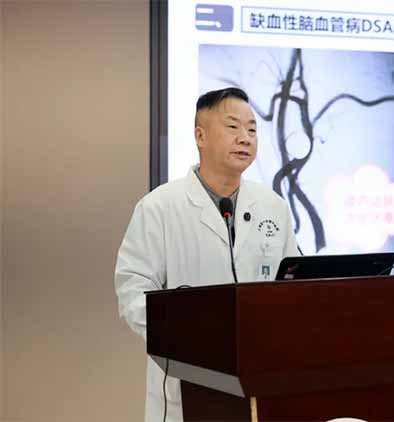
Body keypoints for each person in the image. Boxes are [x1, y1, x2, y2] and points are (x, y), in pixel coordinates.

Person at [114, 87, 300, 422]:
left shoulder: (273, 207)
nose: (245, 138)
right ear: (200, 136)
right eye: (233, 127)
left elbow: (294, 284)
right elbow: (132, 290)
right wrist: (187, 336)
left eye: (252, 129)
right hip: (187, 386)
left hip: (262, 383)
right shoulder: (159, 207)